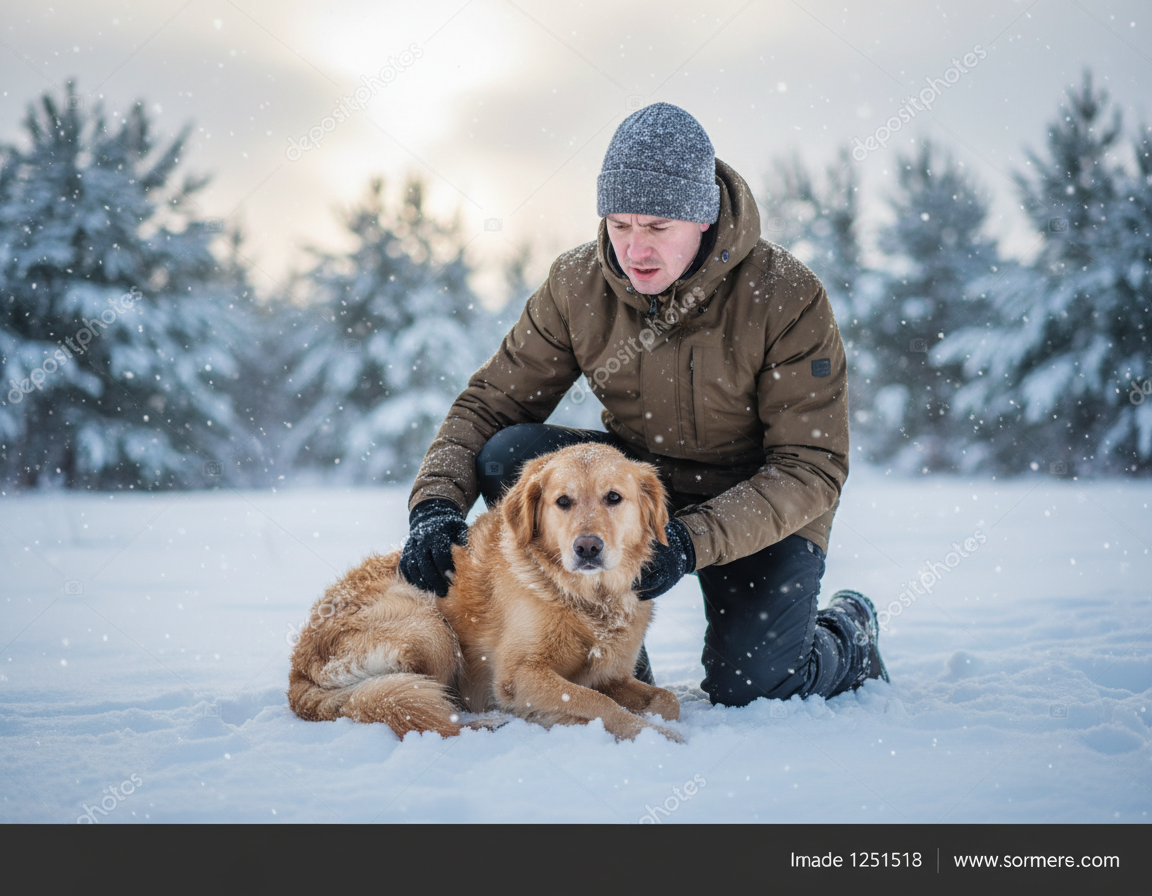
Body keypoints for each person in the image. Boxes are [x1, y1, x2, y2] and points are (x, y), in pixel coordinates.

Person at [399, 102, 887, 706]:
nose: (635, 250)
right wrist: (434, 505)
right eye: (620, 224)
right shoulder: (576, 285)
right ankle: (610, 657)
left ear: (704, 218)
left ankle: (850, 631)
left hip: (756, 499)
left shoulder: (786, 295)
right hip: (631, 489)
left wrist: (688, 540)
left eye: (657, 227)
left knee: (756, 686)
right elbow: (489, 405)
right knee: (508, 453)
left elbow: (811, 467)